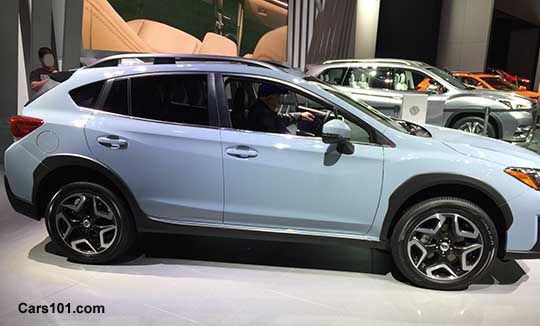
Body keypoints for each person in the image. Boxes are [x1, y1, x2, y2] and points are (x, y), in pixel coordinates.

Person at [249, 83, 315, 134]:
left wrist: (300, 116)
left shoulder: (263, 110)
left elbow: (279, 119)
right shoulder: (262, 115)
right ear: (267, 99)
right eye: (277, 98)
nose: (279, 101)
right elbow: (277, 128)